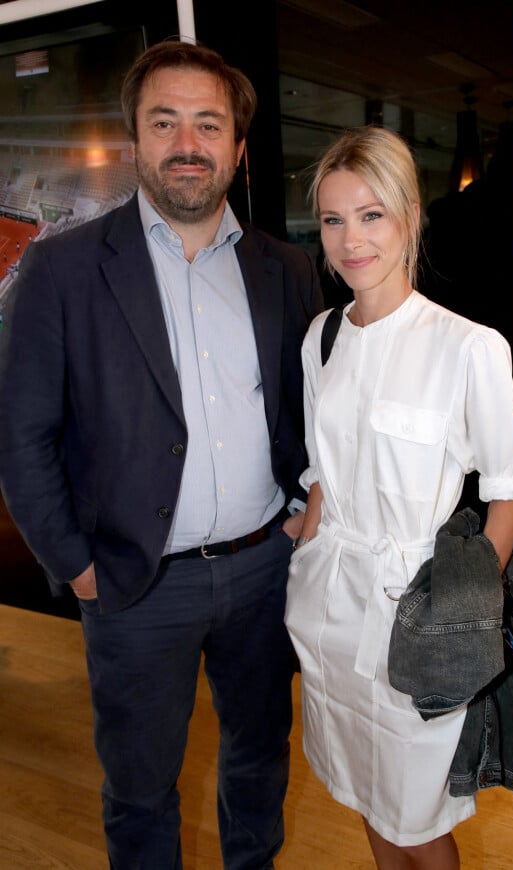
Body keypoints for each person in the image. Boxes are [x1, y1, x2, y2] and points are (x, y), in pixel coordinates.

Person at [0, 39, 323, 870]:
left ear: (237, 148)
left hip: (263, 572)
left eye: (208, 124)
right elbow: (22, 434)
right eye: (165, 121)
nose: (188, 143)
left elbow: (315, 413)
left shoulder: (286, 269)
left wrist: (307, 512)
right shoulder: (63, 268)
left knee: (259, 761)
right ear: (136, 140)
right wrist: (76, 567)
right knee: (141, 790)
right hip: (135, 585)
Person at [284, 126, 513, 869]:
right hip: (329, 608)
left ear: (409, 218)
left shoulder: (467, 347)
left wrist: (460, 609)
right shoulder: (320, 338)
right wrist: (305, 536)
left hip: (414, 620)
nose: (350, 240)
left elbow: (508, 489)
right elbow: (323, 470)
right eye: (333, 219)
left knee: (419, 820)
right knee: (367, 797)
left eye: (371, 215)